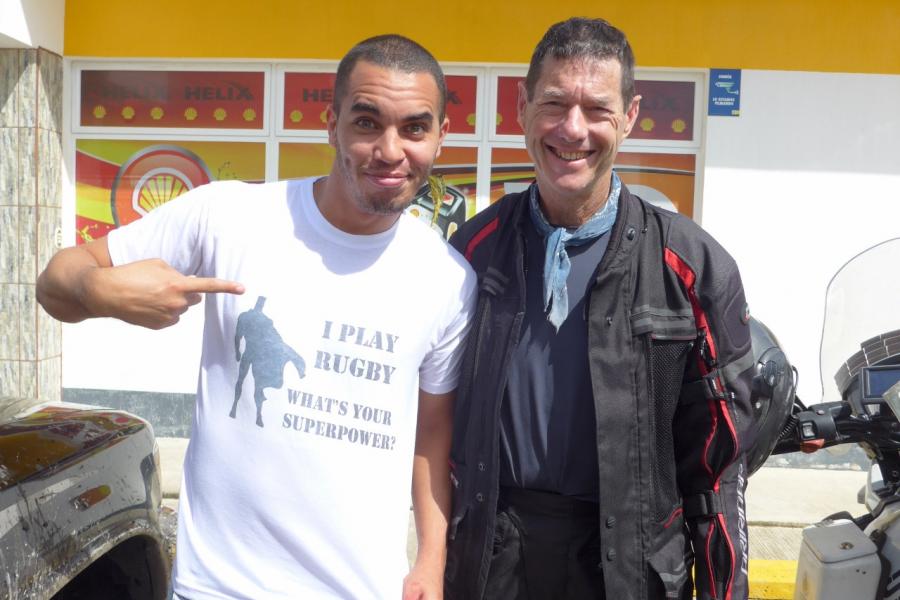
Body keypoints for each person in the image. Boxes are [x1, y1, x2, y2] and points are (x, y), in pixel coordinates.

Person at [37, 34, 477, 600]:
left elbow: (432, 435)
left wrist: (432, 562)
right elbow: (55, 282)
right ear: (332, 124)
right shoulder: (230, 216)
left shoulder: (446, 280)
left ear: (441, 137)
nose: (390, 150)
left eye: (414, 127)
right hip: (218, 587)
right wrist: (99, 290)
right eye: (367, 123)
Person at [445, 18, 753, 600]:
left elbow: (717, 470)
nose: (573, 129)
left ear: (631, 117)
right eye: (555, 103)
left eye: (597, 109)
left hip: (628, 572)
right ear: (521, 106)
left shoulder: (690, 268)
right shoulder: (471, 253)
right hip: (491, 565)